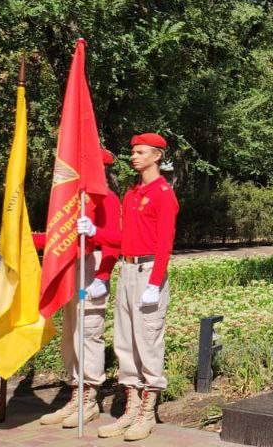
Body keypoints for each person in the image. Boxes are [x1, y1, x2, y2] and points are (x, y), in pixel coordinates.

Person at [96, 132, 179, 441]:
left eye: (141, 152)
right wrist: (94, 233)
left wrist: (155, 283)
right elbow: (124, 238)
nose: (134, 156)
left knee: (148, 340)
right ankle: (130, 410)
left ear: (157, 156)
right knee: (125, 342)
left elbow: (165, 242)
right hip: (127, 269)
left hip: (148, 272)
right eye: (133, 152)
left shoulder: (163, 193)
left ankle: (147, 413)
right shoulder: (131, 193)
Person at [33, 148, 121, 429]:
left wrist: (103, 277)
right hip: (71, 268)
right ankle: (75, 394)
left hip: (91, 269)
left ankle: (89, 400)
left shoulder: (106, 198)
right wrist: (26, 240)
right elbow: (61, 237)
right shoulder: (73, 201)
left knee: (88, 333)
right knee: (71, 334)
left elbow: (113, 242)